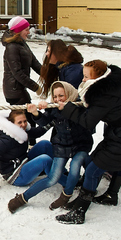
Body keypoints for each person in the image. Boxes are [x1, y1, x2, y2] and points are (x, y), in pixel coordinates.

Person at [55, 60, 121, 222]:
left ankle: (79, 212)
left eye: (86, 77)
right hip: (119, 135)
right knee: (93, 162)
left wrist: (67, 108)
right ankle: (83, 201)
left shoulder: (102, 95)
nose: (83, 79)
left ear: (98, 78)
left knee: (92, 170)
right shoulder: (106, 89)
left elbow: (87, 121)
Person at [8, 81, 92, 213]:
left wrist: (68, 109)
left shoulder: (80, 106)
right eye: (55, 96)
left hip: (80, 145)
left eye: (61, 96)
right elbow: (44, 122)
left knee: (75, 166)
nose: (58, 99)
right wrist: (36, 113)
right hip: (62, 145)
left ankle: (66, 195)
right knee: (52, 178)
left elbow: (87, 125)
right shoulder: (53, 108)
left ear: (69, 94)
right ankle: (23, 198)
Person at [0, 109, 42, 192]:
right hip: (14, 175)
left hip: (23, 162)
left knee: (44, 144)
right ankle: (55, 177)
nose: (23, 124)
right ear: (12, 124)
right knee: (44, 160)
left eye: (25, 121)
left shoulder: (21, 131)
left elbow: (37, 132)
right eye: (20, 122)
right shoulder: (6, 140)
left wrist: (53, 121)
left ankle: (53, 170)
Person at [2, 16, 41, 105]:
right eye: (26, 30)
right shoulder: (12, 47)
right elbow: (17, 72)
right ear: (18, 31)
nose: (28, 32)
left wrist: (48, 75)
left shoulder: (22, 44)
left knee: (29, 111)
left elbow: (35, 63)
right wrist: (35, 87)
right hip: (14, 91)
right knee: (27, 112)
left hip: (20, 88)